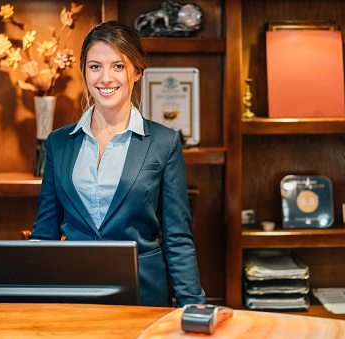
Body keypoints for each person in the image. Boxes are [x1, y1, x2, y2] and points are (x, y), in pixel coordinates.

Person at [30, 20, 205, 307]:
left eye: (118, 66)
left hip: (142, 295)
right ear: (85, 72)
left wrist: (193, 308)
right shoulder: (59, 142)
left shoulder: (164, 142)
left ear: (137, 71)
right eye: (95, 66)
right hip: (74, 297)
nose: (105, 78)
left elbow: (178, 239)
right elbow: (45, 231)